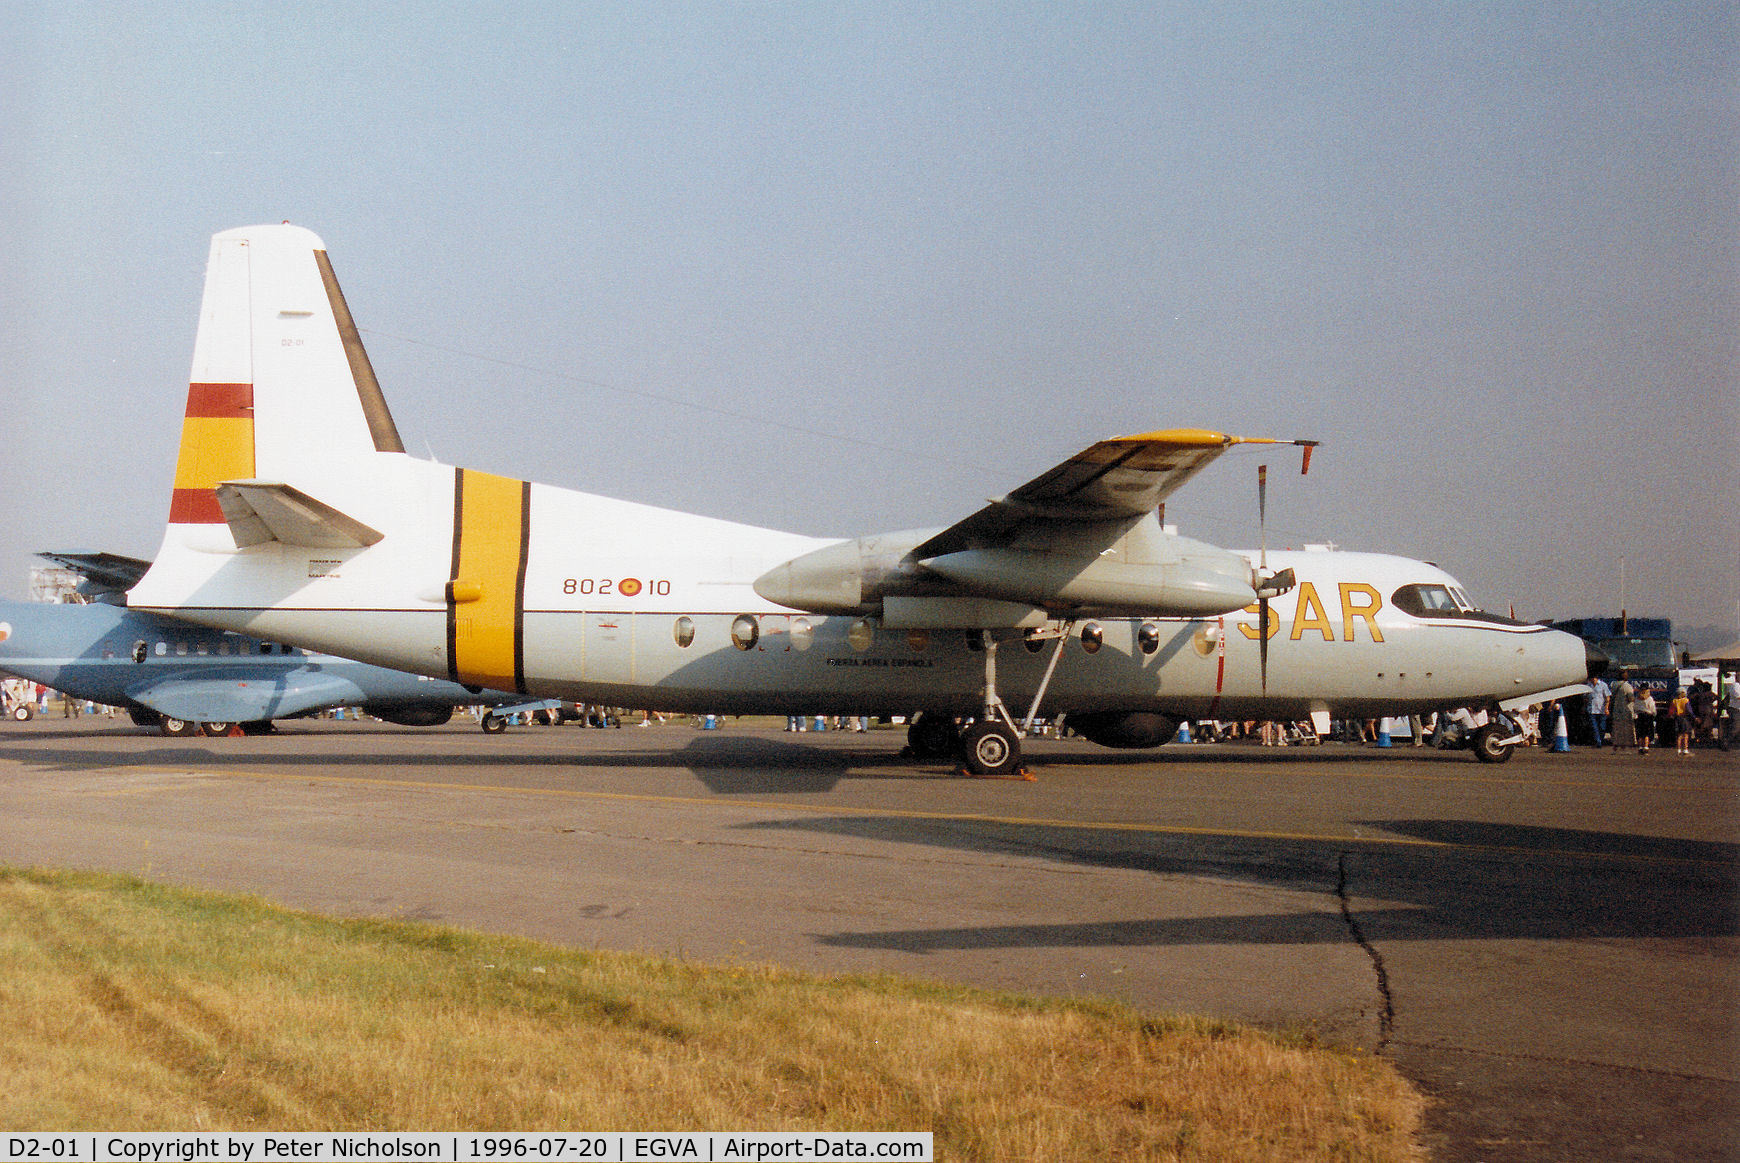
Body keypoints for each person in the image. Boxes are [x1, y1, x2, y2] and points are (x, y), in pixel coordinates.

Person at [1611, 677, 1636, 751]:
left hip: (1616, 709)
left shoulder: (1613, 685)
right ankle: (1627, 743)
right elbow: (1630, 698)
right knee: (1627, 727)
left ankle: (1616, 742)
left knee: (1617, 727)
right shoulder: (1627, 686)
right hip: (1626, 710)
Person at [1587, 675, 1610, 746]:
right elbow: (1585, 697)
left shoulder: (1603, 685)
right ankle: (1598, 741)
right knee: (1594, 727)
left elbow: (1607, 697)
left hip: (1601, 709)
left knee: (1602, 727)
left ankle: (1601, 739)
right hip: (1592, 709)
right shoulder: (1588, 686)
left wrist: (1606, 708)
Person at [1633, 687, 1657, 754]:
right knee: (1647, 733)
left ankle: (1640, 747)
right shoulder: (1649, 699)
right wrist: (1654, 714)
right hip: (1648, 716)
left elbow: (1634, 707)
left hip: (1639, 716)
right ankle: (1646, 747)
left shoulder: (1637, 698)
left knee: (1640, 733)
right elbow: (1652, 708)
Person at [1670, 688, 1692, 756]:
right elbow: (1689, 710)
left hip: (1677, 718)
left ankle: (1678, 750)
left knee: (1679, 735)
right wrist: (1694, 717)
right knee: (1685, 735)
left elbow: (1671, 711)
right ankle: (1685, 750)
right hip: (1684, 718)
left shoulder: (1674, 701)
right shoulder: (1686, 700)